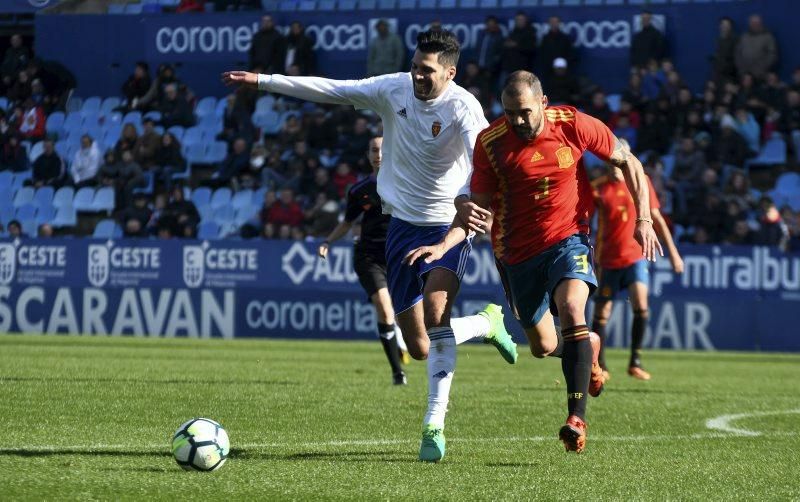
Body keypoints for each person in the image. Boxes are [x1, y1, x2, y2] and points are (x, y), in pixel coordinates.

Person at [223, 29, 518, 463]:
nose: (418, 75)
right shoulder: (393, 88)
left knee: (436, 319)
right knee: (418, 346)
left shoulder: (463, 107)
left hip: (447, 225)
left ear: (450, 73)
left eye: (428, 70)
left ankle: (433, 425)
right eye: (416, 66)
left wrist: (471, 203)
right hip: (401, 227)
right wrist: (265, 80)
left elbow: (483, 163)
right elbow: (333, 90)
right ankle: (484, 324)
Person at [404, 71, 662, 454]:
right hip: (516, 255)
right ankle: (586, 347)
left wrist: (643, 219)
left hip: (568, 239)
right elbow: (477, 212)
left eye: (524, 112)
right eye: (510, 114)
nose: (518, 121)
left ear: (543, 103)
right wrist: (444, 245)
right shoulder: (490, 143)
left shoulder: (574, 124)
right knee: (542, 345)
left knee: (573, 307)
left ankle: (576, 418)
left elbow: (631, 164)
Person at [319, 136, 410, 385]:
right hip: (368, 256)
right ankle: (397, 373)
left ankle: (399, 341)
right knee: (384, 307)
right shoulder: (359, 191)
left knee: (404, 317)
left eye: (382, 149)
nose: (378, 154)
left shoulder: (406, 183)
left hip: (398, 255)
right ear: (368, 155)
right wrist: (328, 241)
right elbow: (348, 222)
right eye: (373, 150)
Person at [591, 139, 683, 382]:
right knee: (602, 313)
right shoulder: (597, 188)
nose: (613, 164)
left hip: (635, 257)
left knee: (641, 305)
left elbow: (657, 218)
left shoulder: (641, 182)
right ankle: (600, 365)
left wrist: (673, 253)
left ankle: (636, 361)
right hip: (607, 260)